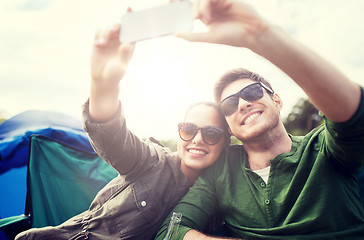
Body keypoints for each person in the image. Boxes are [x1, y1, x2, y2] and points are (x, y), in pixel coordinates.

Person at [155, 0, 364, 239]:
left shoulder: (324, 148)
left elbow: (358, 114)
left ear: (277, 101)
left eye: (252, 93)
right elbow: (171, 230)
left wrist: (262, 36)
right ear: (229, 128)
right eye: (229, 104)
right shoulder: (221, 172)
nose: (243, 104)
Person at [15, 19, 230, 240]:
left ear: (225, 142)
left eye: (211, 133)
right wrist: (104, 83)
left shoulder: (219, 192)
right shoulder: (153, 161)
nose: (197, 139)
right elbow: (111, 135)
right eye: (189, 129)